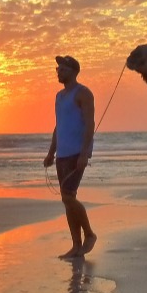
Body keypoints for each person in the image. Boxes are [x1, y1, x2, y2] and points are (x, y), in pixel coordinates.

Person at [43, 55, 97, 260]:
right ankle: (76, 246)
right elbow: (59, 126)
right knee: (68, 201)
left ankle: (90, 234)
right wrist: (51, 152)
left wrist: (84, 153)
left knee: (68, 196)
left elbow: (90, 124)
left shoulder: (83, 93)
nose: (58, 71)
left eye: (62, 69)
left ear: (73, 71)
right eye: (57, 69)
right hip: (62, 153)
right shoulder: (59, 96)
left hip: (77, 152)